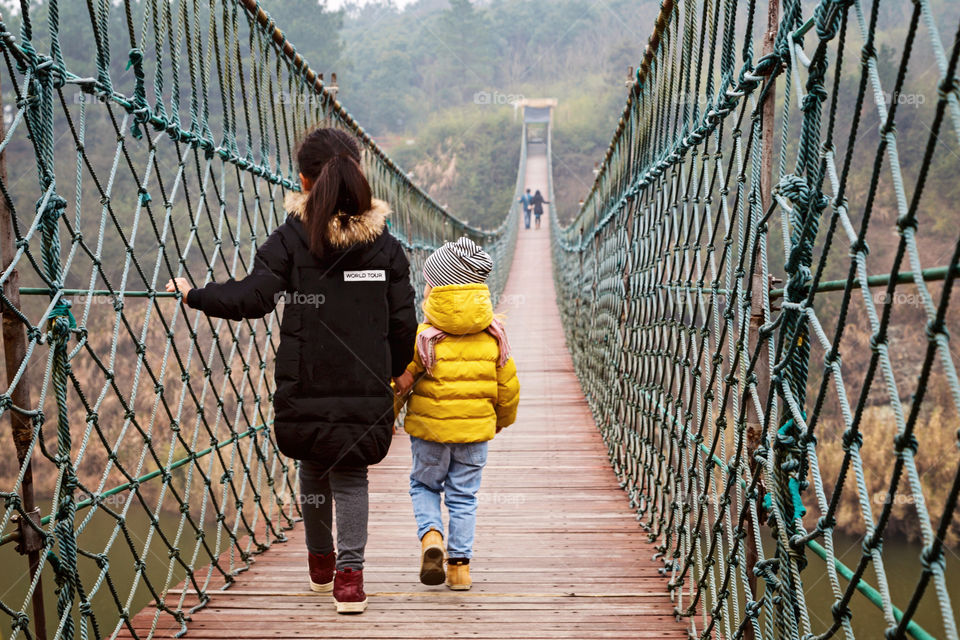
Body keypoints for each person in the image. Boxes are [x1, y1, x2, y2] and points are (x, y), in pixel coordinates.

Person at [165, 127, 417, 615]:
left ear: (303, 180)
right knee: (351, 475)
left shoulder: (291, 238)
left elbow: (253, 297)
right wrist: (400, 370)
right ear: (358, 173)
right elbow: (403, 319)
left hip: (305, 381)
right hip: (365, 384)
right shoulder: (385, 246)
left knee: (312, 468)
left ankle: (320, 567)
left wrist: (195, 294)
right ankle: (350, 581)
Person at [394, 237, 520, 590]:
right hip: (475, 436)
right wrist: (499, 422)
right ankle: (460, 570)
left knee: (423, 484)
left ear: (436, 290)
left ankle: (431, 537)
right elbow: (509, 389)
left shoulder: (424, 338)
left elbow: (403, 382)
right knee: (464, 496)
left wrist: (385, 416)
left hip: (430, 434)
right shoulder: (495, 335)